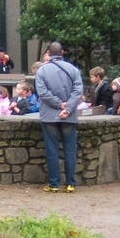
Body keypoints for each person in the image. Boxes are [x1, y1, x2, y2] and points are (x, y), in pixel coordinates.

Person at [34, 41, 83, 193]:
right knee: (69, 150)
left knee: (52, 150)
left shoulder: (42, 71)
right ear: (62, 53)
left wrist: (58, 105)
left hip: (49, 116)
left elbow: (42, 93)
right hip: (69, 116)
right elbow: (78, 91)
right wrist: (67, 108)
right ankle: (70, 184)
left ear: (48, 53)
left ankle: (54, 184)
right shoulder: (74, 70)